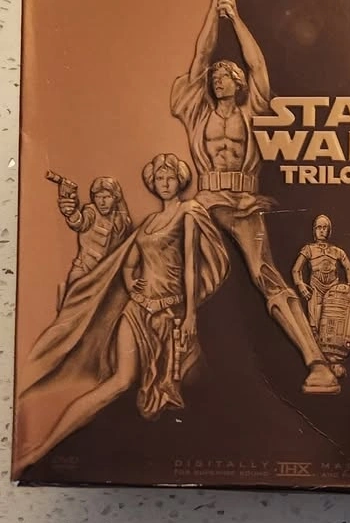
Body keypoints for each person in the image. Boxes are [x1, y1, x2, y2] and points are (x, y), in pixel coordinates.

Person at [169, 0, 339, 395]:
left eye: (224, 75)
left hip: (243, 201)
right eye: (214, 78)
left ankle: (316, 362)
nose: (216, 79)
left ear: (238, 81)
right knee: (172, 259)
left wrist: (235, 16)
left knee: (267, 276)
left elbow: (258, 65)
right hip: (206, 201)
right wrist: (214, 11)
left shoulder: (252, 112)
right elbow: (200, 54)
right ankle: (168, 362)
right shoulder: (197, 113)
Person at [13, 154, 230, 477]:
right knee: (119, 382)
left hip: (171, 314)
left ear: (180, 180)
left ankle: (193, 456)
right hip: (137, 310)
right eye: (159, 178)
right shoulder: (148, 223)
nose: (165, 183)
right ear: (152, 183)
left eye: (170, 177)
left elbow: (190, 266)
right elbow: (128, 264)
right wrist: (132, 287)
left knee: (194, 380)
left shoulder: (189, 211)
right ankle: (38, 450)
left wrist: (190, 315)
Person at [292, 214, 350, 380]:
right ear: (314, 230)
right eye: (319, 227)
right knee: (315, 327)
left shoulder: (337, 251)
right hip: (316, 292)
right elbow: (296, 270)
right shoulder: (309, 249)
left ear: (329, 231)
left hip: (336, 294)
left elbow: (349, 268)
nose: (322, 231)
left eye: (325, 227)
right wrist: (301, 285)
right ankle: (321, 364)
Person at [55, 175, 132, 301]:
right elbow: (80, 223)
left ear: (115, 198)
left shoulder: (121, 218)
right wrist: (71, 213)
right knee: (72, 304)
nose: (102, 202)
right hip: (85, 271)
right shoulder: (90, 211)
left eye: (106, 197)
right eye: (98, 197)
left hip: (108, 275)